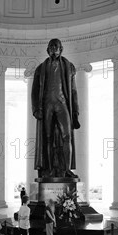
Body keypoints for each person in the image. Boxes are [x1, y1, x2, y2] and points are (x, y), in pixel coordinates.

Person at [31, 38, 80, 178]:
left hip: (62, 103)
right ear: (47, 50)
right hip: (46, 105)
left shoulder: (69, 67)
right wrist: (35, 109)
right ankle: (50, 170)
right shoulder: (40, 68)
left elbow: (74, 91)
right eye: (51, 47)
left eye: (56, 46)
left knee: (67, 136)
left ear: (61, 49)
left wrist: (75, 111)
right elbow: (34, 91)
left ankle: (66, 170)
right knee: (48, 137)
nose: (54, 49)